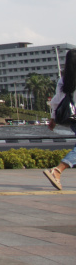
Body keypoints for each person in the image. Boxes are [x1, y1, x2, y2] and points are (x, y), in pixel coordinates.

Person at [44, 49, 76, 190]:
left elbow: (56, 101)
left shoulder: (64, 79)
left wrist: (53, 119)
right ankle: (57, 170)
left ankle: (58, 171)